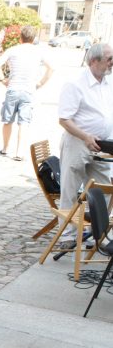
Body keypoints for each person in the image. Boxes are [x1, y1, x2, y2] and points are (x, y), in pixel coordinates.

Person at [57, 43, 113, 248]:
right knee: (70, 190)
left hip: (102, 146)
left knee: (105, 188)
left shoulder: (108, 82)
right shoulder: (75, 83)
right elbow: (64, 119)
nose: (112, 62)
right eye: (109, 58)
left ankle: (98, 233)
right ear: (93, 61)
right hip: (78, 143)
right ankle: (67, 237)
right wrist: (85, 136)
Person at [0, 26, 53, 161]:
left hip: (13, 88)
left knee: (8, 120)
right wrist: (41, 83)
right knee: (24, 122)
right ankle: (19, 152)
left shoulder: (13, 50)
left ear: (20, 37)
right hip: (29, 90)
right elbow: (52, 68)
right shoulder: (39, 52)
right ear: (34, 38)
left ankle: (5, 148)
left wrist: (3, 79)